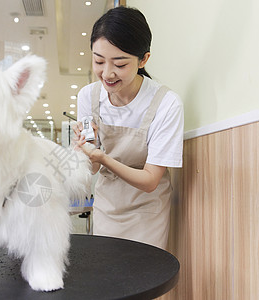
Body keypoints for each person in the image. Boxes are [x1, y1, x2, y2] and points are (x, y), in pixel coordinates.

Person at [74, 6, 184, 249]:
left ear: (143, 59)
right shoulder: (88, 97)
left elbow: (150, 181)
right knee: (108, 276)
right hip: (106, 206)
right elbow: (91, 168)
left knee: (144, 279)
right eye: (99, 61)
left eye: (120, 64)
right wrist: (83, 151)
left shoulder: (166, 104)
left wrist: (102, 157)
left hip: (148, 210)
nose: (107, 73)